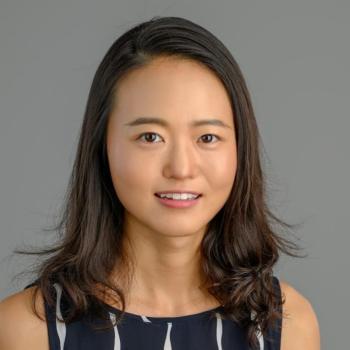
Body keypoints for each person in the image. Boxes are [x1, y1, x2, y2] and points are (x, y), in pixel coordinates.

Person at [0, 16, 320, 350]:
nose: (181, 168)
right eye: (150, 136)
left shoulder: (286, 324)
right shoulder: (25, 330)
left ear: (240, 148)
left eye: (208, 137)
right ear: (102, 146)